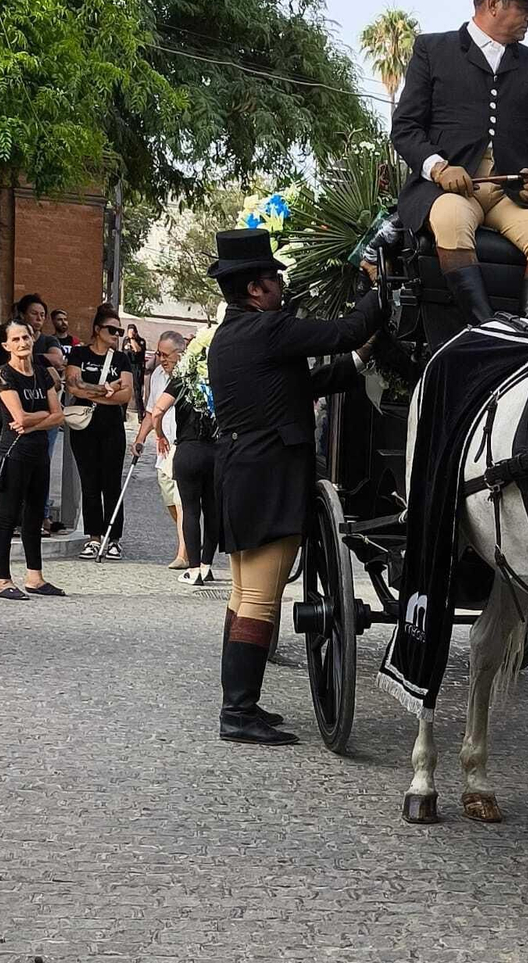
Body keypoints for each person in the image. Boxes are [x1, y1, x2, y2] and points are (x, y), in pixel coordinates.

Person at [207, 229, 383, 746]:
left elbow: (302, 386)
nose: (281, 288)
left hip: (244, 472)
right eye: (275, 280)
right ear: (257, 288)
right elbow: (345, 331)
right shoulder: (267, 330)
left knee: (244, 595)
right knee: (260, 598)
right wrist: (377, 285)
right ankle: (237, 713)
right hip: (268, 477)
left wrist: (358, 360)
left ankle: (241, 705)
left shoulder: (233, 335)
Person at [391, 0, 528, 326]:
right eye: (524, 8)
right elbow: (405, 128)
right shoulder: (433, 50)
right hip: (450, 191)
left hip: (509, 197)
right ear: (493, 4)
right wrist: (438, 168)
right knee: (452, 219)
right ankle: (484, 329)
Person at [0, 320, 65, 600]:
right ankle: (2, 580)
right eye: (16, 339)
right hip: (15, 453)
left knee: (35, 516)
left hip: (39, 451)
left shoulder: (43, 374)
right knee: (8, 517)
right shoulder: (4, 375)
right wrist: (41, 418)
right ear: (7, 345)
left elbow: (59, 415)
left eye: (26, 337)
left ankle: (35, 577)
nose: (23, 343)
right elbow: (17, 417)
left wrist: (34, 423)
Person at [138, 331, 220, 587]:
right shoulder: (219, 380)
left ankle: (193, 569)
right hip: (216, 450)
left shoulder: (182, 380)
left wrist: (160, 435)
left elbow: (158, 410)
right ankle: (207, 565)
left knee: (190, 509)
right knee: (213, 510)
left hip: (188, 449)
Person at [65, 306, 133, 560]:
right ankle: (93, 536)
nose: (117, 334)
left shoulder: (121, 359)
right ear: (97, 329)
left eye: (119, 330)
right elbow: (73, 386)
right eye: (111, 329)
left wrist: (93, 392)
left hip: (112, 427)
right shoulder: (79, 353)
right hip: (84, 427)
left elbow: (126, 394)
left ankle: (113, 538)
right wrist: (106, 389)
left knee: (112, 483)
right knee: (89, 482)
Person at [134, 331, 190, 570]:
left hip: (182, 445)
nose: (161, 358)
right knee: (170, 502)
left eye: (166, 355)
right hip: (162, 450)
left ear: (180, 354)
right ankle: (189, 538)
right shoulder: (157, 374)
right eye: (158, 354)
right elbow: (150, 411)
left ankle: (184, 554)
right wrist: (140, 438)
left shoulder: (188, 376)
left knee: (181, 502)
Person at [124, 324, 149, 417]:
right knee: (125, 388)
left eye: (132, 331)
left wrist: (132, 339)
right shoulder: (125, 340)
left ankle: (140, 414)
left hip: (137, 367)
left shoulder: (141, 341)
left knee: (137, 391)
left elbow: (138, 350)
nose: (130, 333)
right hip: (127, 366)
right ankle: (123, 414)